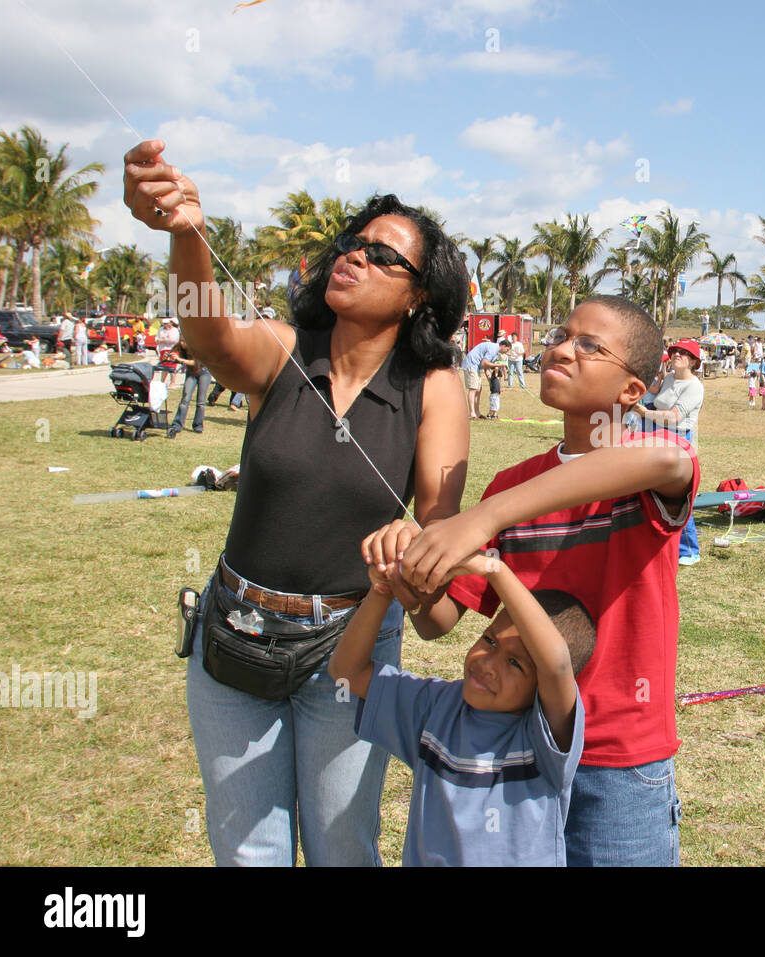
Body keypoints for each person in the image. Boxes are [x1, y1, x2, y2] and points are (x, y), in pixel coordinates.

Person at [123, 139, 470, 866]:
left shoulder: (433, 387)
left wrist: (415, 560)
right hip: (234, 636)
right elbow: (211, 339)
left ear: (419, 298)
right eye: (353, 243)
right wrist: (188, 236)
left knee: (343, 846)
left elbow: (438, 555)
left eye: (384, 256)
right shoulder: (284, 349)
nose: (354, 256)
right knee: (249, 851)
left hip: (346, 650)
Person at [367, 294, 700, 867]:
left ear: (632, 392)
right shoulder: (514, 485)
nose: (562, 349)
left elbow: (671, 464)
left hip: (617, 760)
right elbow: (438, 621)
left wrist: (485, 517)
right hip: (518, 747)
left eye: (591, 346)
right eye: (560, 336)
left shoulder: (652, 463)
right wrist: (410, 578)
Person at [328, 550, 590, 866]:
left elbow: (557, 663)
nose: (488, 664)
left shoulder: (545, 739)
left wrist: (496, 571)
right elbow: (348, 673)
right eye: (489, 640)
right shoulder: (434, 706)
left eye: (514, 663)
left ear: (541, 686)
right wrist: (382, 593)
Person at [633, 338, 704, 564]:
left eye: (683, 353)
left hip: (677, 440)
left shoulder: (694, 386)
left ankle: (690, 551)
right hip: (654, 435)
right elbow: (658, 402)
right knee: (649, 491)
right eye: (674, 351)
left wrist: (645, 413)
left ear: (693, 361)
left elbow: (674, 417)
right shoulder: (670, 378)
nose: (676, 355)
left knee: (676, 497)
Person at [168, 338, 212, 437]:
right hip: (191, 373)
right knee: (185, 399)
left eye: (185, 341)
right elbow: (172, 355)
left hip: (204, 372)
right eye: (181, 341)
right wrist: (172, 357)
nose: (183, 343)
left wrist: (180, 359)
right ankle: (177, 424)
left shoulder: (197, 347)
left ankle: (198, 426)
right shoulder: (180, 347)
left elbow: (196, 362)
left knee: (201, 401)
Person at [462, 337, 510, 420]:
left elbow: (486, 367)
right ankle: (472, 413)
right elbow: (484, 363)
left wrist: (492, 383)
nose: (507, 352)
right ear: (503, 346)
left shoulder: (495, 352)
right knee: (473, 389)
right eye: (507, 349)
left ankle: (477, 413)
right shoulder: (493, 349)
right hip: (471, 365)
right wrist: (499, 365)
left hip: (476, 367)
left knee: (478, 389)